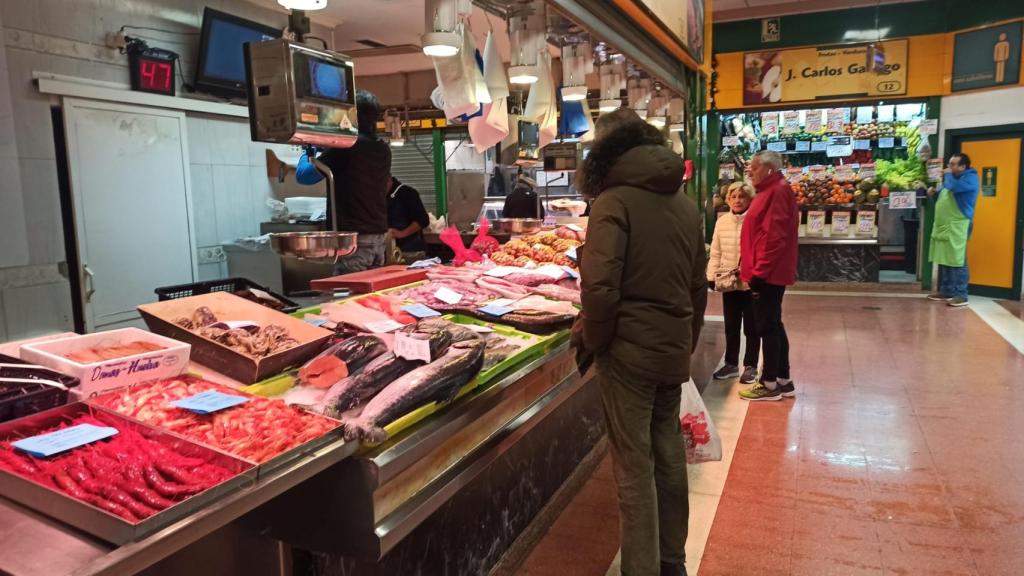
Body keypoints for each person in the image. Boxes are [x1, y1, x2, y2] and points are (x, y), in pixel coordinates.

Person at [573, 108, 707, 576]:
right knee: (669, 456)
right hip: (669, 350)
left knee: (634, 472)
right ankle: (673, 563)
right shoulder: (685, 204)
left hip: (627, 352)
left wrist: (596, 341)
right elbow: (697, 286)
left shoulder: (614, 201)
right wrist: (684, 345)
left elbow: (600, 287)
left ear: (606, 154)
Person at [296, 90, 391, 273]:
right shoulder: (382, 148)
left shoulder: (346, 146)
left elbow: (304, 176)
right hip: (377, 237)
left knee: (349, 296)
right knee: (369, 296)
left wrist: (307, 152)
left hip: (354, 241)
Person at [738, 150, 799, 402]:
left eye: (753, 167)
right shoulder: (770, 190)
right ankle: (783, 379)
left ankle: (769, 383)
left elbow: (773, 237)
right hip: (768, 272)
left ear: (769, 169)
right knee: (774, 323)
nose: (749, 171)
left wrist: (759, 273)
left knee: (766, 326)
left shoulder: (777, 191)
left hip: (768, 274)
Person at [708, 182, 760, 384]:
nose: (737, 200)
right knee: (731, 325)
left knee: (752, 326)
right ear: (728, 199)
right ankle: (731, 363)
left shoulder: (755, 221)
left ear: (749, 199)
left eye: (742, 196)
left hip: (750, 282)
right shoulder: (722, 222)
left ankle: (751, 365)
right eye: (733, 196)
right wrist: (711, 276)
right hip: (728, 282)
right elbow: (715, 251)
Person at [927, 153, 979, 307]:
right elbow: (945, 198)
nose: (949, 167)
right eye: (949, 164)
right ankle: (947, 290)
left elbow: (954, 188)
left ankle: (961, 295)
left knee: (958, 260)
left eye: (953, 164)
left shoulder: (970, 179)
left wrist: (947, 176)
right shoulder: (951, 179)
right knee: (945, 258)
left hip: (959, 225)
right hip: (944, 225)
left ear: (963, 166)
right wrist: (933, 195)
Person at [387, 176, 430, 255]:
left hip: (410, 250)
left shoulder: (408, 193)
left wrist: (401, 233)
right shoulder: (378, 197)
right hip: (388, 250)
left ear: (388, 179)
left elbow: (423, 220)